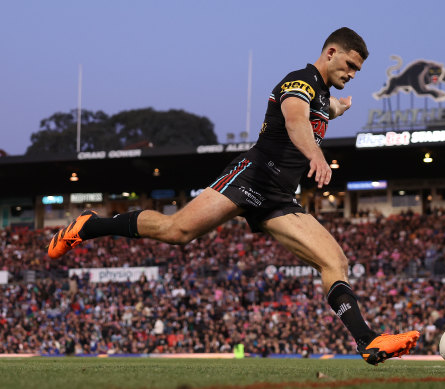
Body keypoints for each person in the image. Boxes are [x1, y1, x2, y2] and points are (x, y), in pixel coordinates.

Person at [48, 27, 420, 365]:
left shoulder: (322, 95)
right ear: (331, 52)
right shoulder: (301, 82)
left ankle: (368, 342)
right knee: (177, 231)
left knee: (335, 262)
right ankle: (90, 225)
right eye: (350, 65)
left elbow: (324, 111)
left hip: (278, 198)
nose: (352, 74)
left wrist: (339, 108)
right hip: (252, 177)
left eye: (357, 71)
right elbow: (294, 121)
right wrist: (317, 155)